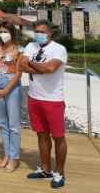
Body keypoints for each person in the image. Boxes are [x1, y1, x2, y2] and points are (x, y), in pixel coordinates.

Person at [20, 20, 68, 189]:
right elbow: (21, 64)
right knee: (41, 134)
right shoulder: (30, 46)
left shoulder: (59, 49)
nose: (38, 34)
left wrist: (31, 64)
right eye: (36, 31)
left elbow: (50, 69)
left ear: (50, 34)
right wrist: (39, 67)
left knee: (58, 137)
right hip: (34, 97)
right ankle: (46, 169)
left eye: (41, 31)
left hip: (53, 99)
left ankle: (59, 173)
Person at [0, 21, 23, 172]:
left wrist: (7, 89)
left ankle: (15, 157)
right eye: (1, 31)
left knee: (14, 125)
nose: (3, 34)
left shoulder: (18, 50)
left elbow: (19, 72)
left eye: (6, 31)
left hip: (12, 86)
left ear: (12, 33)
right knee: (2, 123)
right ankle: (7, 154)